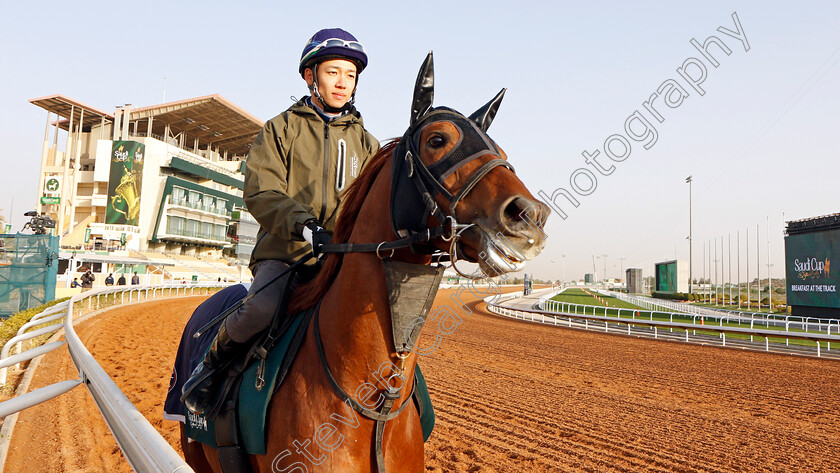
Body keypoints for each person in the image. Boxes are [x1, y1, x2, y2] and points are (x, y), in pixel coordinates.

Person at [181, 27, 380, 416]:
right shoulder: (280, 129)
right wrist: (305, 226)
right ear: (311, 76)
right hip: (285, 254)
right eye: (333, 72)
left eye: (350, 75)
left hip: (341, 259)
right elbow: (261, 191)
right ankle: (208, 369)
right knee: (260, 309)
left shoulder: (368, 143)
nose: (343, 83)